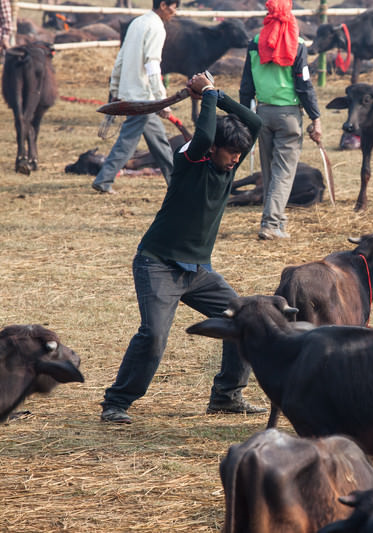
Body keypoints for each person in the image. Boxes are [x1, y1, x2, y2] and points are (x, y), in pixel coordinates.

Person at [100, 72, 265, 424]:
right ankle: (117, 402)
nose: (236, 159)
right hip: (157, 264)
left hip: (197, 272)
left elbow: (254, 122)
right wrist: (205, 96)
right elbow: (204, 134)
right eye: (230, 153)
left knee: (244, 320)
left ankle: (227, 396)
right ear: (214, 150)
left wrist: (216, 94)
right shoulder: (191, 160)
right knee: (154, 336)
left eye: (239, 153)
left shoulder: (227, 167)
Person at [239, 0, 322, 241]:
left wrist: (245, 116)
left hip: (261, 114)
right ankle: (270, 224)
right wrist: (315, 117)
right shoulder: (297, 43)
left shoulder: (255, 42)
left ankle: (277, 218)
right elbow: (304, 86)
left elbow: (246, 86)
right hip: (288, 116)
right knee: (284, 173)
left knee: (269, 171)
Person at [92, 0, 179, 195]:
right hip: (144, 97)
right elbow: (152, 65)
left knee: (159, 142)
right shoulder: (156, 28)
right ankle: (104, 179)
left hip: (133, 93)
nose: (175, 12)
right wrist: (162, 99)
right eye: (174, 6)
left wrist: (115, 88)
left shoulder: (137, 23)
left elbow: (120, 58)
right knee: (128, 140)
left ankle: (175, 182)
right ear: (163, 5)